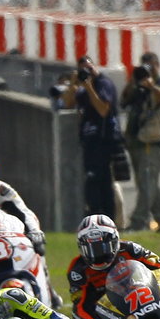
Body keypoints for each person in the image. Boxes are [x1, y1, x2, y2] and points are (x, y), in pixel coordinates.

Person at [120, 52, 160, 236]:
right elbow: (124, 101)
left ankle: (138, 221)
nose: (147, 70)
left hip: (152, 139)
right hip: (135, 138)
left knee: (147, 181)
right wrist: (133, 80)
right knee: (146, 182)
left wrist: (151, 85)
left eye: (151, 66)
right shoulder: (137, 85)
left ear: (157, 66)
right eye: (145, 66)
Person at [58, 55, 120, 218]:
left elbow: (103, 110)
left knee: (101, 182)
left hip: (103, 140)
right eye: (82, 70)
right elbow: (67, 103)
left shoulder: (103, 84)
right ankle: (96, 215)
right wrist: (73, 82)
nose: (86, 72)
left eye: (89, 68)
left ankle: (105, 216)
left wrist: (89, 85)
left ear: (94, 67)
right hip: (89, 142)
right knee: (92, 182)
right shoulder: (82, 89)